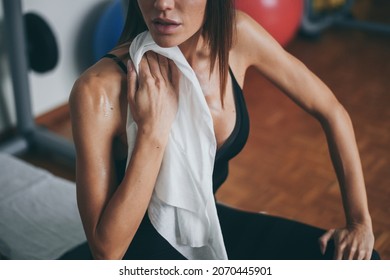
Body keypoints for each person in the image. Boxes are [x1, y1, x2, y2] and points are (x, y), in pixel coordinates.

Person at [63, 0, 379, 260]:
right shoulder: (97, 90)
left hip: (202, 226)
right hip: (136, 253)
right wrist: (152, 134)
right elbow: (106, 252)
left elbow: (330, 109)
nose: (162, 5)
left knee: (360, 263)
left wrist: (359, 221)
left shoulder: (236, 36)